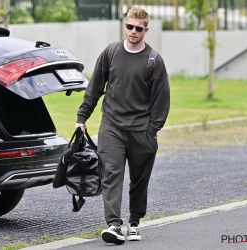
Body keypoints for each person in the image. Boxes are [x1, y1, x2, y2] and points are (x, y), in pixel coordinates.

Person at [75, 5, 170, 245]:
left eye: (138, 28)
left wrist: (152, 131)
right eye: (129, 26)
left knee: (139, 180)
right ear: (124, 24)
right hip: (112, 126)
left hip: (141, 131)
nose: (133, 31)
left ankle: (135, 222)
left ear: (145, 30)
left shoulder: (154, 60)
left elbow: (162, 100)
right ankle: (114, 225)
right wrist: (82, 118)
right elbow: (95, 87)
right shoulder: (111, 52)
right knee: (112, 174)